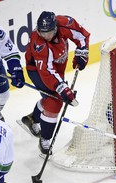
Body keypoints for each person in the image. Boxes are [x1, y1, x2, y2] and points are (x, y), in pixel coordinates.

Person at [20, 11, 90, 154]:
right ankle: (45, 139)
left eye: (49, 32)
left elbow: (82, 36)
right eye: (42, 32)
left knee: (52, 96)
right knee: (54, 101)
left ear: (56, 27)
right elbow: (46, 71)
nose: (45, 36)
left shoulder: (65, 23)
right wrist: (62, 88)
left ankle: (32, 118)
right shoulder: (39, 42)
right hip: (37, 70)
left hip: (58, 65)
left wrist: (82, 53)